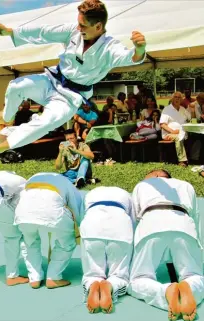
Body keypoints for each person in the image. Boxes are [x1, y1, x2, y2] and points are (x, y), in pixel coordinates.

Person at [0, 0, 146, 158]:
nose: (78, 28)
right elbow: (43, 33)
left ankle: (4, 146)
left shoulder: (109, 48)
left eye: (83, 25)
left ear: (98, 26)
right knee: (16, 86)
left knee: (45, 122)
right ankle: (5, 115)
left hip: (70, 98)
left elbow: (129, 57)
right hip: (52, 79)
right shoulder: (73, 32)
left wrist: (139, 49)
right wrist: (11, 32)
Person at [128, 169, 203, 321]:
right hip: (184, 224)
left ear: (155, 175)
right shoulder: (186, 185)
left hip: (151, 224)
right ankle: (190, 287)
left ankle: (165, 291)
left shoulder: (142, 185)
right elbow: (196, 217)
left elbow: (133, 219)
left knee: (138, 279)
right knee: (194, 275)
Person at [14, 172, 83, 289]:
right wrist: (79, 229)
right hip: (52, 214)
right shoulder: (66, 182)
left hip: (23, 214)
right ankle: (53, 277)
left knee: (30, 242)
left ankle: (34, 278)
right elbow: (75, 208)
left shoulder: (31, 178)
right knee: (67, 243)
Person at [80, 186, 134, 314]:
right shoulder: (127, 194)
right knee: (119, 274)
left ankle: (92, 283)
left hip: (92, 225)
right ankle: (111, 285)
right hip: (120, 226)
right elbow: (133, 220)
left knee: (92, 272)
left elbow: (83, 215)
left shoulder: (90, 193)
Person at [160, 91, 191, 167]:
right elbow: (162, 124)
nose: (177, 99)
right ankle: (182, 161)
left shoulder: (183, 109)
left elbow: (189, 118)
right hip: (169, 134)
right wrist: (173, 131)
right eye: (175, 97)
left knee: (196, 136)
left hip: (182, 132)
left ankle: (193, 158)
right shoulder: (167, 109)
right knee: (178, 138)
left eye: (179, 97)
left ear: (181, 99)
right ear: (172, 99)